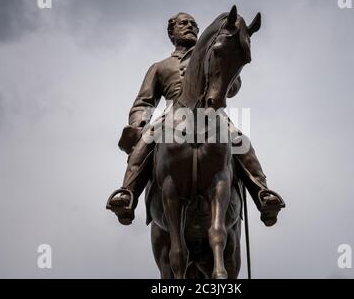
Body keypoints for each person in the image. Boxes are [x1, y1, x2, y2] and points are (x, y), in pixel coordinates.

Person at [107, 12, 285, 226]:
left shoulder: (211, 54)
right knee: (146, 141)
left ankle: (262, 193)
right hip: (172, 116)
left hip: (211, 112)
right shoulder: (160, 67)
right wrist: (139, 124)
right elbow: (144, 102)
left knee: (239, 139)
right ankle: (127, 194)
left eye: (193, 24)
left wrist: (230, 73)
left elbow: (231, 86)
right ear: (172, 32)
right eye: (184, 23)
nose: (190, 27)